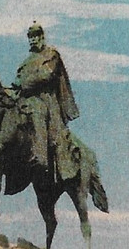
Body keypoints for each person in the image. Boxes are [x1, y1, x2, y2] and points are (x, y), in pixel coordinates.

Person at [12, 23, 80, 182]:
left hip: (46, 100)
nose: (33, 40)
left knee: (38, 110)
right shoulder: (27, 60)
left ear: (42, 37)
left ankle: (41, 156)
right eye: (30, 37)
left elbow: (46, 75)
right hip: (25, 99)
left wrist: (24, 83)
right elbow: (18, 77)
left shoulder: (51, 54)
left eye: (36, 36)